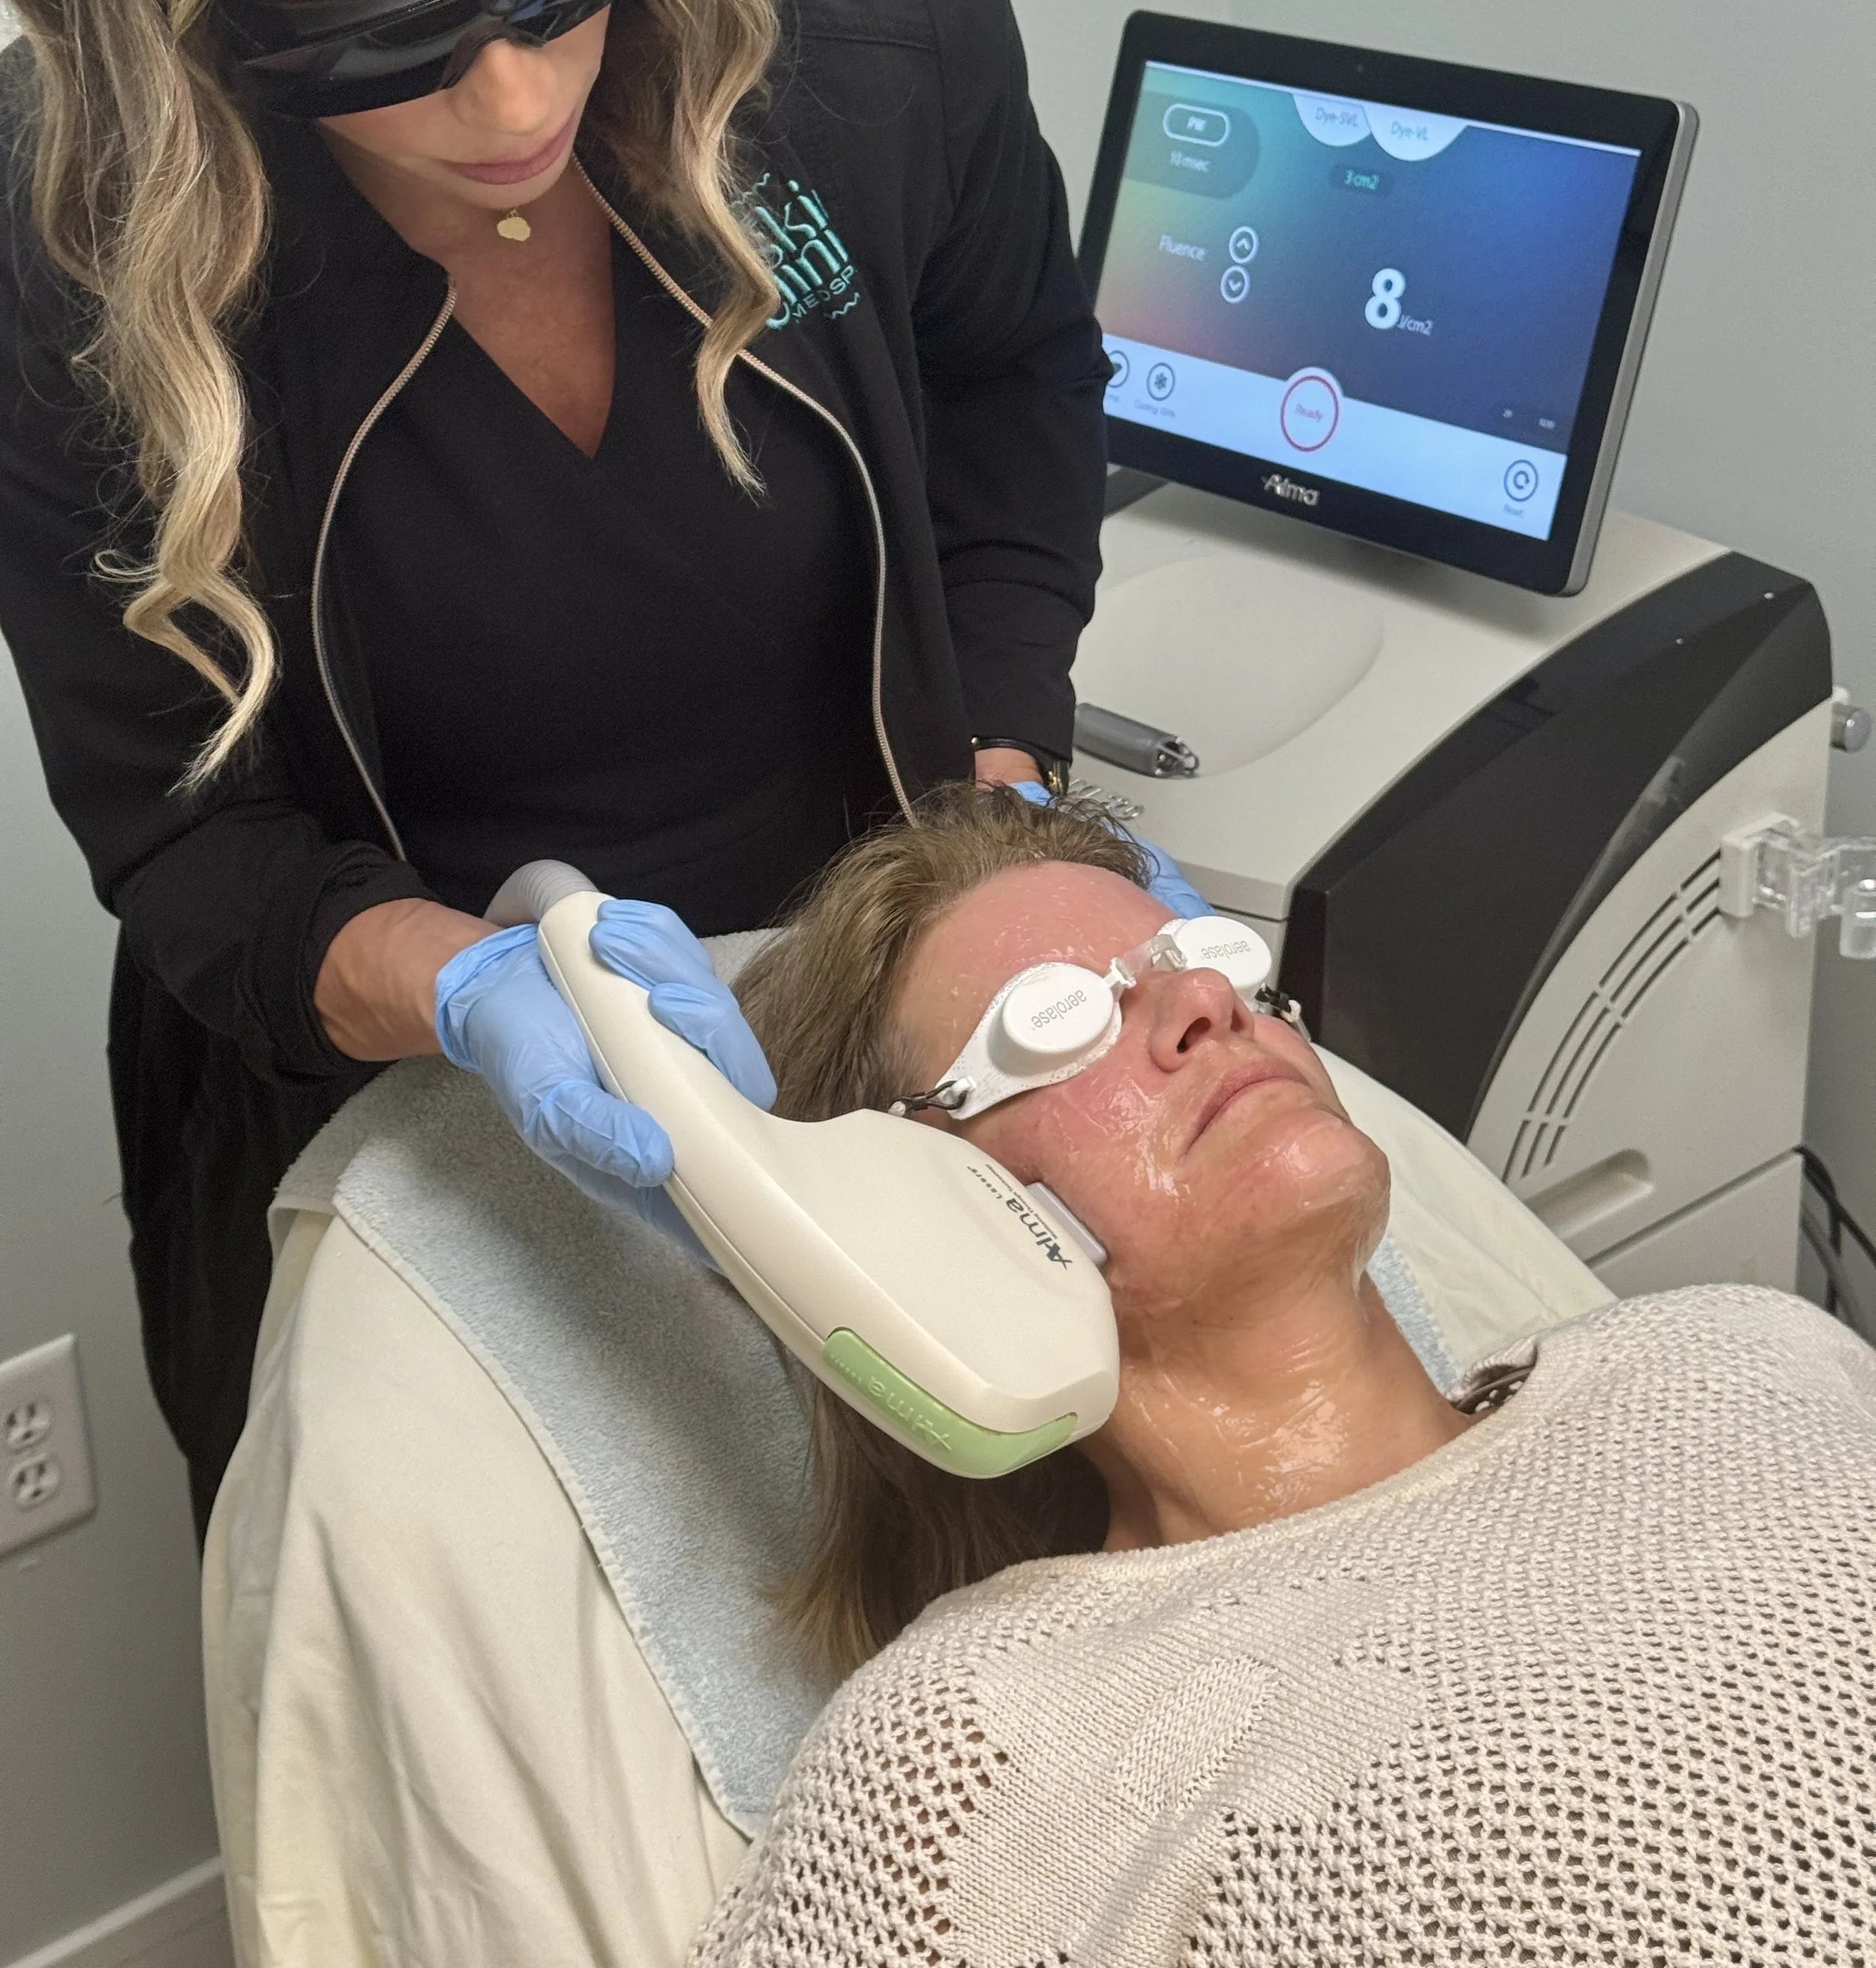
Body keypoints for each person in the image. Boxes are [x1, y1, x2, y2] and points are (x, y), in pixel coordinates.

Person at [0, 0, 1124, 1528]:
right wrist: (460, 986)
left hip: (850, 1019)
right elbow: (186, 834)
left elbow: (1016, 387)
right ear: (178, 8)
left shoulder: (870, 26)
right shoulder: (65, 248)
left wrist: (996, 772)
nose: (516, 103)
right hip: (383, 1096)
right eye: (381, 40)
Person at [703, 784, 1876, 1961]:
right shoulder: (985, 1737)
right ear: (929, 1209)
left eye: (1200, 957)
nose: (1207, 1000)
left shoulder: (1740, 1350)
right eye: (1056, 1018)